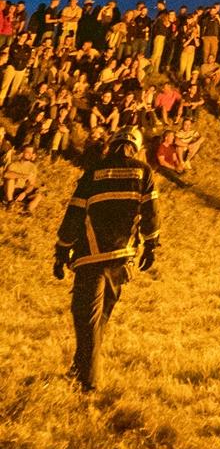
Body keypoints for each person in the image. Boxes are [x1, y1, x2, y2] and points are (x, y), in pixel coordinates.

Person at [53, 126, 159, 391]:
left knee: (85, 318)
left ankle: (88, 383)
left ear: (112, 144)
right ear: (136, 147)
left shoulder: (93, 172)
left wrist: (61, 251)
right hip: (122, 258)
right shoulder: (143, 172)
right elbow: (151, 213)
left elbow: (74, 214)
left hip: (91, 257)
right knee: (99, 319)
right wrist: (151, 245)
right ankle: (82, 369)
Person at [4, 144, 43, 214]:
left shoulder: (33, 167)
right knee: (10, 179)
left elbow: (31, 185)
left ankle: (28, 210)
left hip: (21, 191)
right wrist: (22, 175)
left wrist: (24, 193)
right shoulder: (14, 164)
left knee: (39, 196)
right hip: (11, 189)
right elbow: (6, 174)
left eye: (31, 153)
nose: (30, 154)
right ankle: (10, 203)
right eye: (27, 152)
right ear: (22, 153)